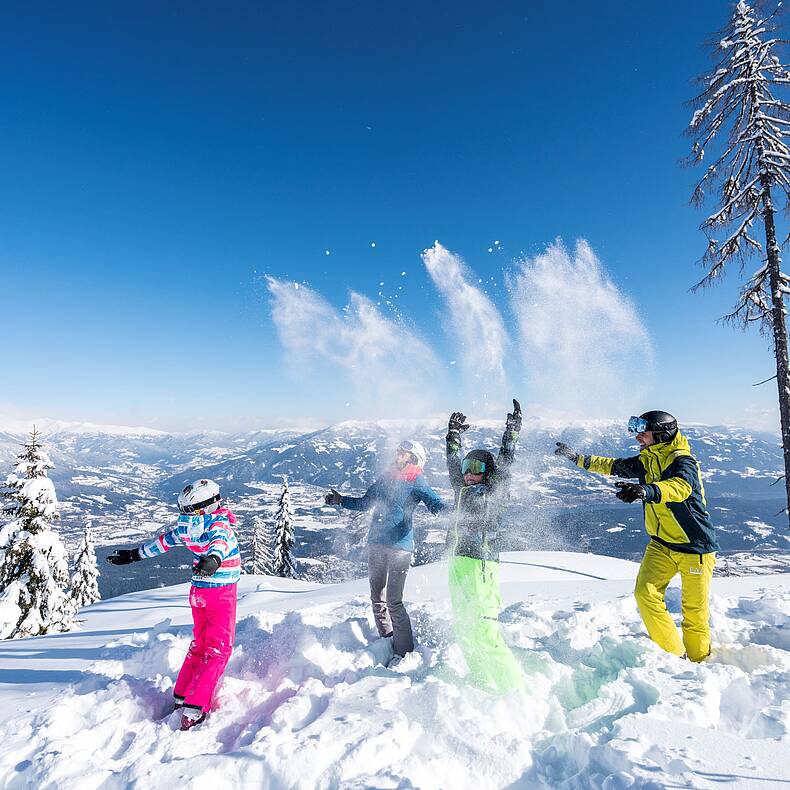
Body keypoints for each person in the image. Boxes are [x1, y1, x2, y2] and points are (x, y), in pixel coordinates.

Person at [555, 410, 718, 662]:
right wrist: (577, 459)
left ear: (662, 433)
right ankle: (675, 658)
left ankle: (699, 664)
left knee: (694, 614)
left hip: (694, 547)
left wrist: (646, 490)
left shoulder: (682, 461)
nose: (637, 437)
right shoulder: (648, 459)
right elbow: (613, 465)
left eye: (643, 432)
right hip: (661, 545)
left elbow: (680, 487)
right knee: (645, 594)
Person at [107, 478, 240, 730]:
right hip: (220, 593)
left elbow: (162, 543)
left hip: (198, 592)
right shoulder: (217, 523)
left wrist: (134, 555)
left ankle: (181, 696)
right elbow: (220, 541)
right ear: (209, 504)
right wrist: (213, 559)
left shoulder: (186, 527)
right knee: (219, 650)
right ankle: (195, 708)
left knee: (200, 645)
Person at [324, 440, 445, 658]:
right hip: (376, 544)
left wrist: (450, 513)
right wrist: (340, 500)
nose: (397, 454)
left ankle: (404, 652)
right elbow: (364, 504)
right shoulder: (385, 479)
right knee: (377, 596)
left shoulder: (417, 481)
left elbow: (434, 503)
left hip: (400, 547)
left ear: (413, 458)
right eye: (398, 451)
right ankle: (387, 639)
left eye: (403, 452)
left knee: (394, 601)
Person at [446, 399, 524, 694]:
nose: (468, 472)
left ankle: (514, 692)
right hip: (459, 562)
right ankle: (480, 680)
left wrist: (512, 431)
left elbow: (506, 460)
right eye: (467, 466)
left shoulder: (495, 489)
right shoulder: (463, 488)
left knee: (484, 630)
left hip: (481, 564)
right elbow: (453, 465)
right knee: (463, 627)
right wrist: (453, 437)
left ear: (488, 472)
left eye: (476, 467)